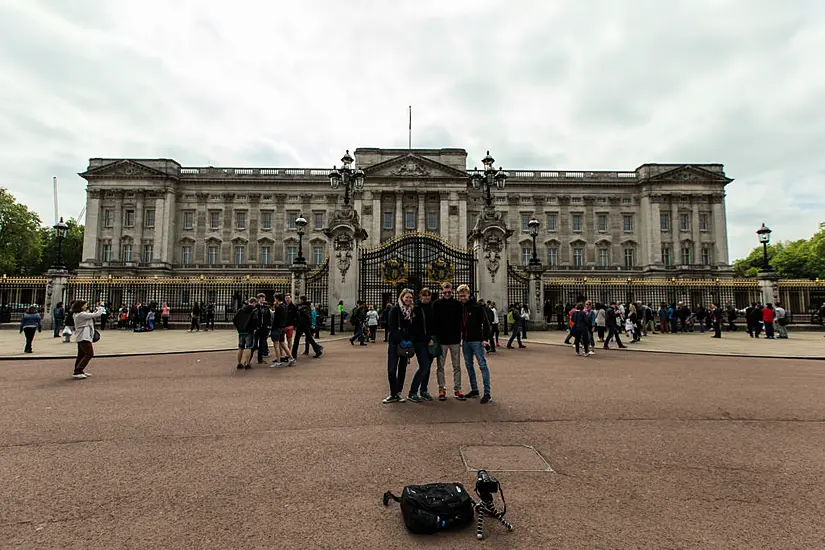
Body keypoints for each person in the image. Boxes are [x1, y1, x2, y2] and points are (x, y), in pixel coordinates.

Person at [457, 285, 493, 403]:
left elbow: (486, 324)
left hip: (477, 341)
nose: (462, 297)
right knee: (469, 366)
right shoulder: (461, 307)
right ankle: (474, 389)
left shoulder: (477, 307)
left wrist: (485, 339)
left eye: (464, 295)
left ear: (469, 294)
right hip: (466, 341)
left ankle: (487, 393)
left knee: (482, 365)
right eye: (460, 295)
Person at [434, 282, 465, 401]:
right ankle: (441, 388)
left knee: (456, 366)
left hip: (455, 340)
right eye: (445, 292)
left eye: (449, 292)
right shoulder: (437, 304)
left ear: (452, 291)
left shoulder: (458, 304)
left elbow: (462, 320)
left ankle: (458, 389)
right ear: (442, 291)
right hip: (442, 341)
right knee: (440, 366)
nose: (447, 294)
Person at [384, 288, 414, 404]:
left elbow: (412, 328)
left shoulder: (412, 310)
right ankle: (393, 393)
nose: (408, 299)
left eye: (410, 297)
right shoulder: (394, 309)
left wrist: (410, 340)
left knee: (402, 369)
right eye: (407, 297)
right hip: (395, 343)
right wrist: (401, 340)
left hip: (405, 344)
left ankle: (398, 392)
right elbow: (392, 328)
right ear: (402, 297)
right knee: (392, 370)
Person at [408, 288, 435, 402]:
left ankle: (424, 390)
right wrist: (426, 338)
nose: (427, 297)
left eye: (428, 295)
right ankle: (412, 392)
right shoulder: (417, 309)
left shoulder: (432, 308)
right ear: (420, 296)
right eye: (424, 295)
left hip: (431, 341)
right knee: (424, 366)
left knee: (427, 367)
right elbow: (414, 328)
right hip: (420, 341)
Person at [71, 300, 105, 379]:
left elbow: (91, 315)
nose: (86, 306)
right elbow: (96, 315)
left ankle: (78, 370)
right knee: (89, 354)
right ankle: (78, 370)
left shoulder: (78, 314)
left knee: (81, 355)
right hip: (84, 336)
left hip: (82, 336)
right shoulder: (81, 314)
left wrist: (96, 310)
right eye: (85, 305)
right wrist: (101, 307)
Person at [292, 296, 323, 360]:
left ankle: (293, 354)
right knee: (309, 338)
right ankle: (317, 350)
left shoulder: (303, 307)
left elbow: (305, 316)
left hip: (302, 325)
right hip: (305, 325)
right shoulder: (307, 306)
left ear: (302, 300)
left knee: (296, 339)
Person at [270, 294, 295, 367]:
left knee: (276, 345)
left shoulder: (278, 307)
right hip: (283, 327)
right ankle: (291, 357)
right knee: (283, 343)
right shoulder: (285, 306)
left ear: (277, 299)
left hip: (276, 328)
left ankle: (278, 361)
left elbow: (275, 319)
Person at [233, 297, 258, 370]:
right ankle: (247, 363)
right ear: (254, 303)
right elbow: (255, 320)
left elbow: (235, 319)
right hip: (249, 331)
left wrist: (239, 327)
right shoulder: (253, 310)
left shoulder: (240, 310)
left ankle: (239, 363)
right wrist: (254, 328)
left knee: (240, 347)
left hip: (241, 331)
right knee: (249, 347)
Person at [254, 293, 272, 364]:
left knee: (262, 344)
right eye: (261, 298)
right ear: (258, 299)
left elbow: (269, 317)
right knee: (254, 344)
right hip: (257, 328)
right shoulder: (255, 307)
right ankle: (248, 360)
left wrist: (269, 326)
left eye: (264, 298)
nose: (263, 299)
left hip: (264, 328)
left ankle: (260, 359)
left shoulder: (266, 307)